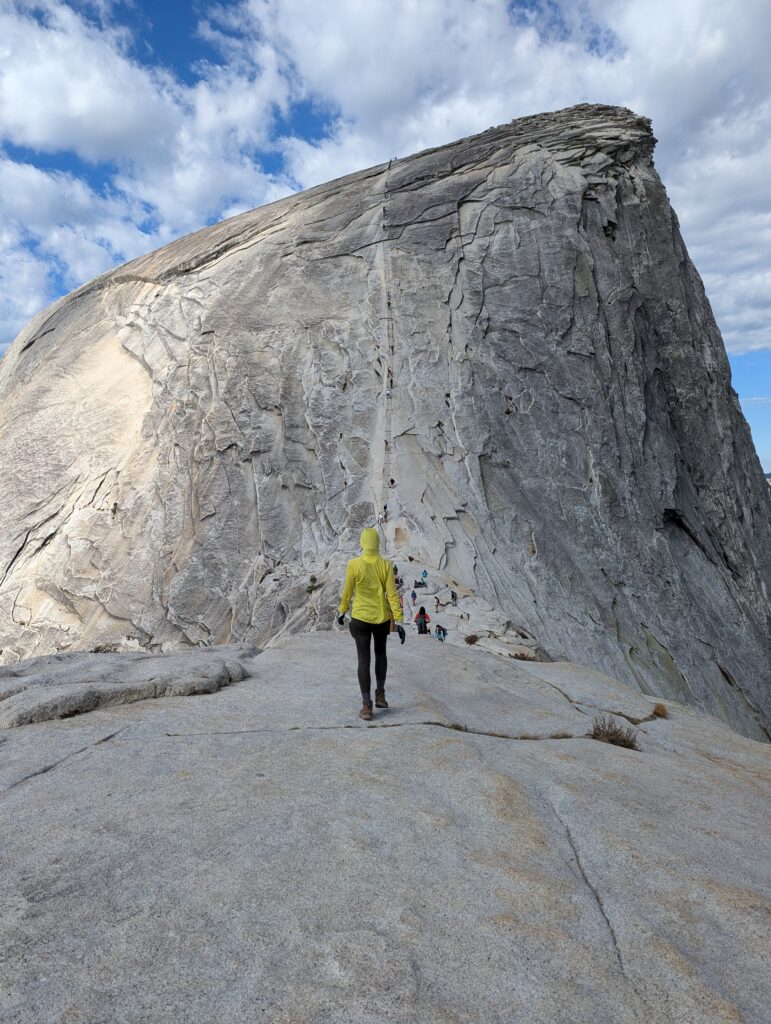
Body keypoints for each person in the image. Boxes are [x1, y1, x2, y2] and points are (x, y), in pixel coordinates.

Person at [338, 528, 405, 721]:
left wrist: (342, 610)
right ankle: (380, 695)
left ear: (362, 543)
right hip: (381, 619)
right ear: (377, 544)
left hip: (360, 618)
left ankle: (367, 706)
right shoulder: (386, 565)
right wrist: (399, 620)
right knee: (381, 653)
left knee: (363, 660)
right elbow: (392, 594)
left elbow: (347, 591)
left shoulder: (353, 564)